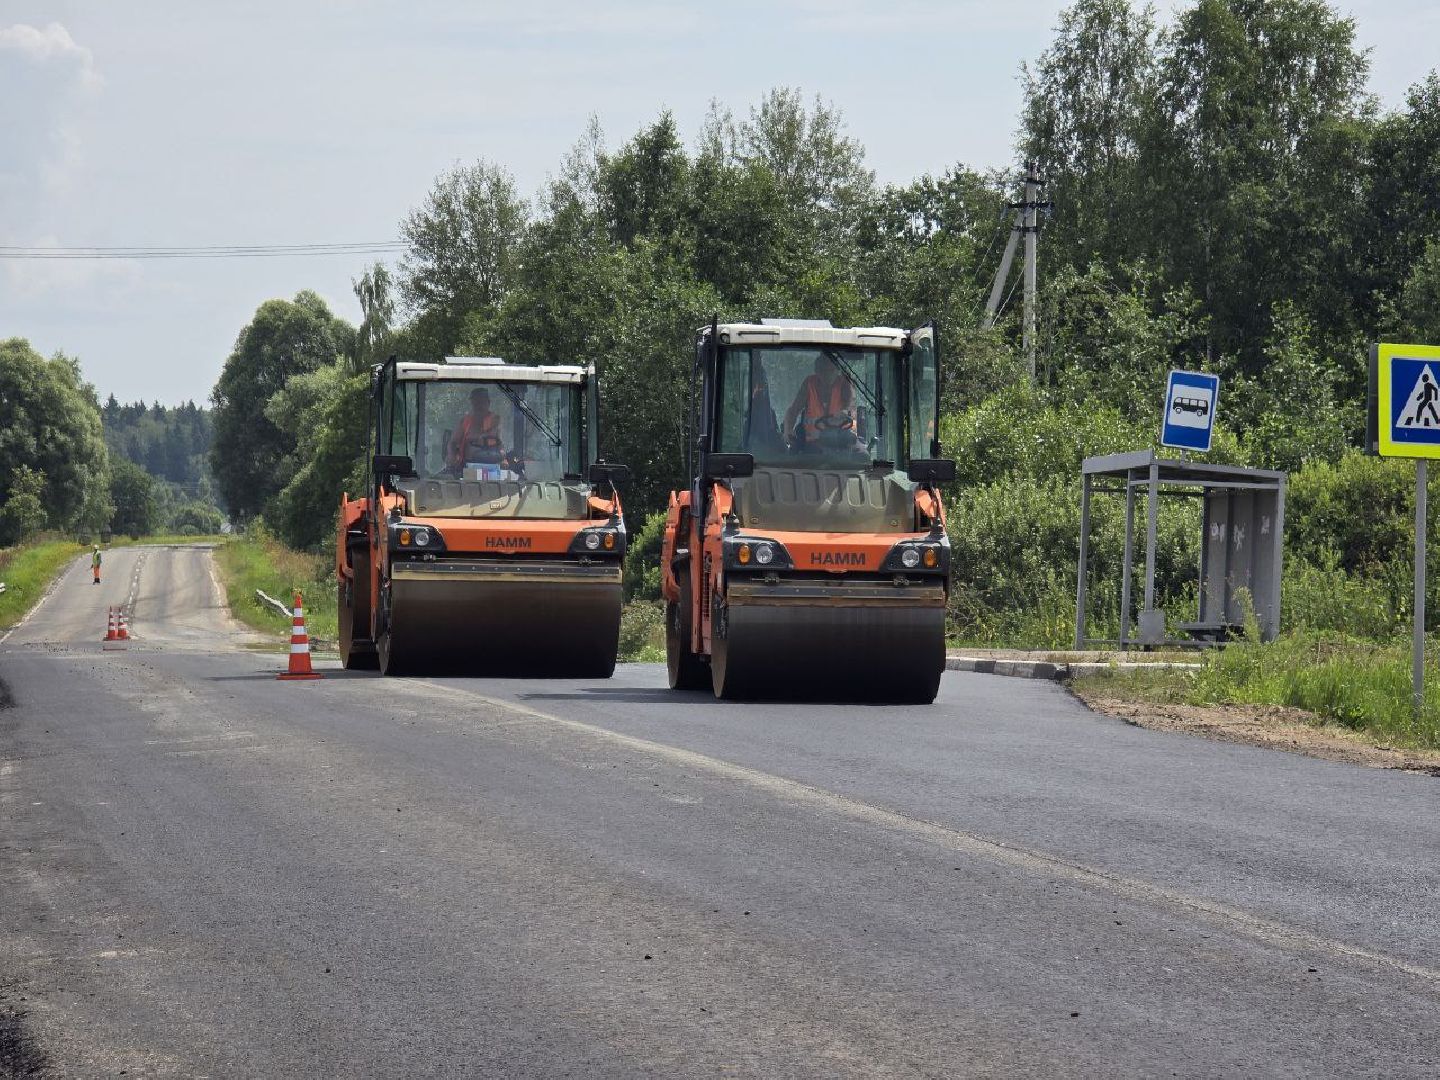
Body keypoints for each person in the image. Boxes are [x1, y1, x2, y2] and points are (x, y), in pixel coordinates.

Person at [783, 351, 855, 450]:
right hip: (811, 447)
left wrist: (844, 413)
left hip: (840, 444)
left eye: (831, 370)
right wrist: (788, 430)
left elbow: (850, 408)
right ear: (817, 371)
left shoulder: (844, 385)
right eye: (824, 370)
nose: (828, 374)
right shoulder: (809, 384)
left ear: (837, 370)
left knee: (863, 456)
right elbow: (793, 410)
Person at [447, 388, 508, 470]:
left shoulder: (496, 421)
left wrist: (503, 459)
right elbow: (452, 443)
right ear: (472, 403)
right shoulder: (465, 422)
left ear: (488, 403)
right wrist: (452, 456)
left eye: (482, 402)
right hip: (467, 467)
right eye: (476, 402)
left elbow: (501, 445)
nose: (479, 405)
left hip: (494, 468)